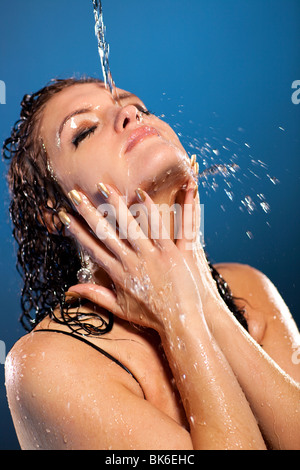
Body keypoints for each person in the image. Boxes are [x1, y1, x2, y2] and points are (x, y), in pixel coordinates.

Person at [3, 77, 300, 450]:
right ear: (56, 210)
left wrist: (201, 300)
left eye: (140, 109)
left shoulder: (247, 289)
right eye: (85, 131)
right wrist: (179, 318)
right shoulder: (49, 363)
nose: (130, 114)